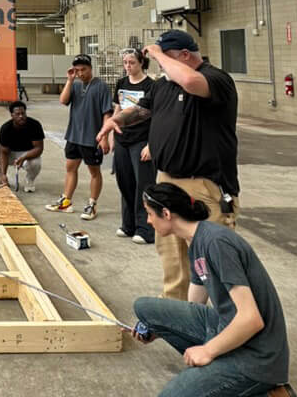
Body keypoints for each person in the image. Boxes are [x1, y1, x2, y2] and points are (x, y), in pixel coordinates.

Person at [97, 30, 240, 300]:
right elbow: (142, 108)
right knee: (173, 258)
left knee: (213, 260)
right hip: (167, 181)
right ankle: (177, 314)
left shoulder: (215, 79)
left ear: (185, 55)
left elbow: (189, 80)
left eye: (166, 59)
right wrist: (118, 120)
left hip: (204, 185)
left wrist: (158, 54)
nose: (161, 66)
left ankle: (229, 323)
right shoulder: (164, 85)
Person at [133, 183, 289, 397]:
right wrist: (159, 328)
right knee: (144, 308)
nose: (148, 220)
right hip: (226, 325)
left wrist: (208, 351)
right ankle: (216, 374)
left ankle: (258, 390)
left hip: (256, 356)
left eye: (150, 214)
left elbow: (252, 319)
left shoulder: (216, 243)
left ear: (166, 214)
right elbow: (194, 305)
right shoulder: (195, 239)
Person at [46, 54, 112, 219]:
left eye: (84, 69)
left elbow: (107, 113)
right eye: (77, 70)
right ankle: (66, 201)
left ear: (90, 68)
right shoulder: (74, 86)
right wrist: (69, 80)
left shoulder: (101, 87)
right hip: (74, 136)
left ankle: (92, 204)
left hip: (92, 138)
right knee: (70, 168)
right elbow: (63, 101)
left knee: (94, 172)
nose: (80, 73)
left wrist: (104, 137)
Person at [108, 48, 155, 245]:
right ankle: (128, 225)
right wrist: (111, 135)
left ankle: (145, 229)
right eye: (125, 63)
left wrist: (151, 145)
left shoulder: (151, 85)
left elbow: (156, 118)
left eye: (132, 63)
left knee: (142, 184)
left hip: (141, 140)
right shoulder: (121, 83)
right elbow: (117, 110)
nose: (128, 67)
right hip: (122, 140)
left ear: (141, 63)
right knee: (125, 182)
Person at [0, 101, 44, 192]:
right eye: (17, 114)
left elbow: (39, 149)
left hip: (27, 154)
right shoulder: (6, 128)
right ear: (12, 115)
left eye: (23, 113)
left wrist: (23, 157)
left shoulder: (34, 125)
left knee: (35, 163)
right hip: (10, 154)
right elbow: (4, 152)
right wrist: (3, 174)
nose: (21, 116)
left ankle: (30, 180)